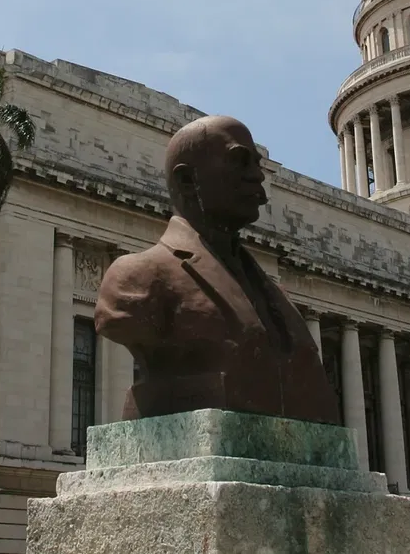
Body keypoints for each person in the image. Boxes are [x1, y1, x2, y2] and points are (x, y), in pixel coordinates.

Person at [95, 115, 339, 424]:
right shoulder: (135, 278)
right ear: (187, 181)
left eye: (257, 164)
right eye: (240, 161)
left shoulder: (275, 293)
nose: (258, 177)